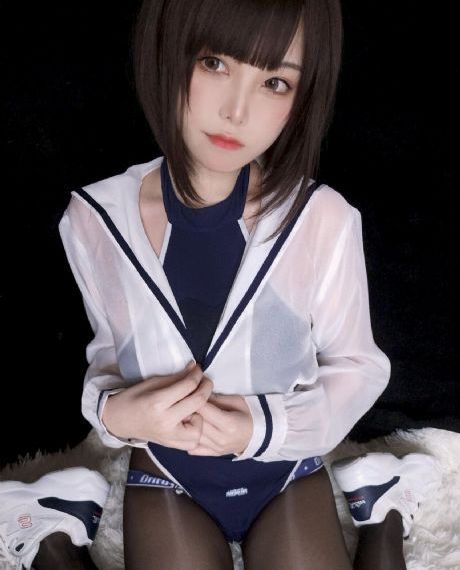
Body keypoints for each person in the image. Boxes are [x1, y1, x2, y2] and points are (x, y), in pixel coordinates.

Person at [0, 0, 441, 569]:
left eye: (275, 82)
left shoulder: (320, 218)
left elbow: (359, 366)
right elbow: (110, 359)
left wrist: (261, 428)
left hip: (284, 466)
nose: (237, 111)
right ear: (167, 51)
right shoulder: (94, 220)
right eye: (214, 63)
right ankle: (54, 523)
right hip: (169, 471)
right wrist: (114, 418)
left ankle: (383, 507)